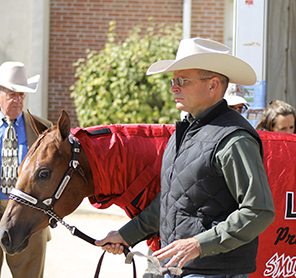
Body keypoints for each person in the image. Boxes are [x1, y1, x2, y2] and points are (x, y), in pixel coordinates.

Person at [96, 38, 275, 277]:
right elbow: (172, 201)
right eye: (173, 81)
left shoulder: (234, 139)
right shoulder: (185, 132)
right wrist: (126, 234)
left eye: (182, 81)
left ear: (213, 85)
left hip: (214, 272)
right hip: (179, 268)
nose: (173, 88)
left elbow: (259, 211)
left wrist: (199, 244)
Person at [0, 61, 52, 277]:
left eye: (22, 94)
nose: (18, 100)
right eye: (12, 94)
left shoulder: (43, 130)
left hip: (28, 215)